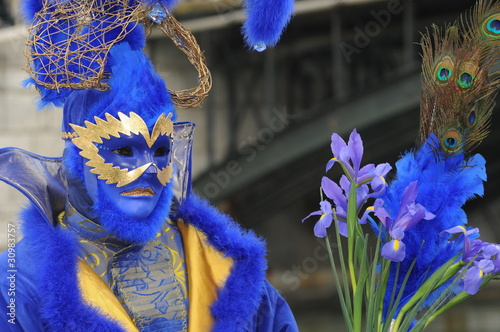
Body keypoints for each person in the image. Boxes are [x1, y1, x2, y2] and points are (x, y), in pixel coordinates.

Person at [0, 1, 298, 330]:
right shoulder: (18, 284)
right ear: (78, 154)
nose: (151, 170)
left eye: (160, 152)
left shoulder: (221, 266)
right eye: (125, 149)